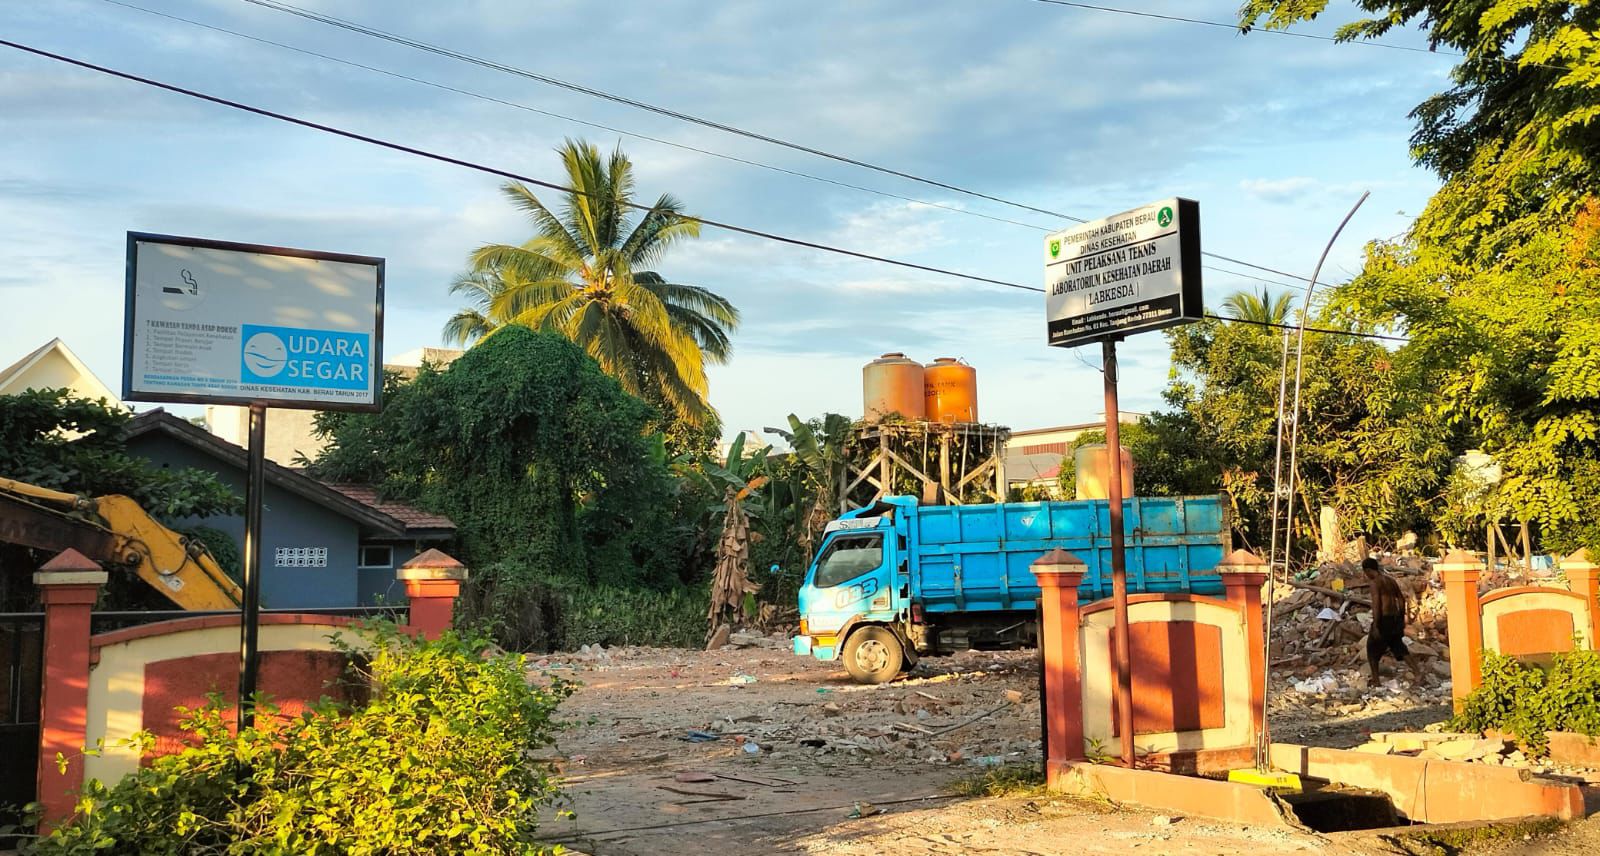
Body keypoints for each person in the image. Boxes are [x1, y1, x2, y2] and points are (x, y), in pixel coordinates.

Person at [1363, 557, 1421, 687]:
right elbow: (1401, 599)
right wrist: (1400, 617)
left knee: (1371, 649)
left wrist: (1376, 624)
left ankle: (1376, 680)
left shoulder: (1375, 583)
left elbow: (1376, 605)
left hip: (1383, 619)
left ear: (1368, 570)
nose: (1366, 575)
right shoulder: (1390, 581)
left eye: (1365, 573)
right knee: (1398, 646)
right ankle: (1418, 673)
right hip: (1394, 618)